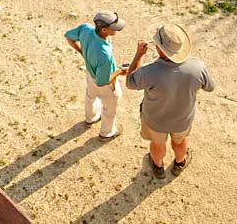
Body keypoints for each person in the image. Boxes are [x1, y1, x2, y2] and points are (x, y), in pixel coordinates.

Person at [125, 23, 214, 178]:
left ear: (159, 49)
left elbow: (130, 82)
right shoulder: (198, 67)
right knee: (180, 142)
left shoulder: (148, 72)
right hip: (182, 119)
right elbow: (209, 87)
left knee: (157, 144)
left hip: (155, 120)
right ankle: (179, 164)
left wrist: (139, 55)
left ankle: (158, 168)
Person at [64, 12, 127, 142]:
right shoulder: (105, 55)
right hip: (104, 82)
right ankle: (106, 133)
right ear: (104, 30)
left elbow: (68, 36)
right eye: (113, 27)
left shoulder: (85, 29)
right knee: (110, 107)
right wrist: (120, 71)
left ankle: (90, 118)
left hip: (90, 73)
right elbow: (102, 81)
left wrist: (82, 52)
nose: (116, 29)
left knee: (90, 96)